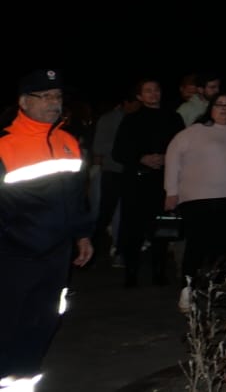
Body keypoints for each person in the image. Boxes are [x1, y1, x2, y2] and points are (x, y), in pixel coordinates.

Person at [0, 69, 94, 385]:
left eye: (58, 96)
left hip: (57, 254)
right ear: (24, 101)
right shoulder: (5, 145)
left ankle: (21, 380)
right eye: (46, 96)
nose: (54, 103)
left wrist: (83, 234)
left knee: (46, 320)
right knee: (9, 322)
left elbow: (77, 196)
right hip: (15, 255)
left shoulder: (68, 141)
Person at [164, 91, 226, 310]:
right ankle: (188, 290)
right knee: (197, 244)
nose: (224, 108)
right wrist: (171, 191)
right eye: (219, 104)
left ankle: (220, 291)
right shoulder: (192, 133)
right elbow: (172, 158)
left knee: (225, 248)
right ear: (210, 109)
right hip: (198, 198)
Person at [113, 76, 185, 287]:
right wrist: (141, 158)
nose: (154, 94)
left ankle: (159, 272)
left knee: (161, 227)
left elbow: (181, 147)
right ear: (139, 96)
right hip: (136, 182)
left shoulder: (174, 118)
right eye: (148, 91)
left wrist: (166, 157)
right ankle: (131, 273)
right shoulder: (130, 119)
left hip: (162, 181)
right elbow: (118, 151)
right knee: (133, 229)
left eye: (156, 89)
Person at [90, 85, 141, 262]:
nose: (138, 107)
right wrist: (124, 149)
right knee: (103, 213)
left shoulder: (136, 119)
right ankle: (90, 250)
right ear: (126, 103)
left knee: (125, 213)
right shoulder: (109, 119)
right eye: (135, 103)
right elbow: (98, 146)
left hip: (131, 172)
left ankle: (120, 251)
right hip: (112, 171)